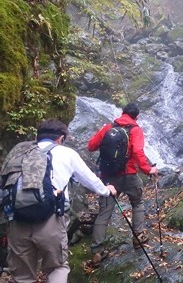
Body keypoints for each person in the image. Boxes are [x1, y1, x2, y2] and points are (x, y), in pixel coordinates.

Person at [5, 118, 117, 282]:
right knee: (57, 267)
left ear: (37, 137)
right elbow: (89, 179)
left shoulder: (19, 153)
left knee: (22, 276)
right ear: (61, 138)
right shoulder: (67, 153)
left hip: (17, 220)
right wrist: (107, 191)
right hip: (50, 219)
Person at [87, 102, 158, 267]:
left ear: (122, 112)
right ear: (137, 117)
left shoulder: (108, 127)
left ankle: (97, 252)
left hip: (108, 177)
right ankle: (138, 236)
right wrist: (148, 170)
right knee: (137, 202)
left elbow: (91, 146)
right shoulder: (135, 129)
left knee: (104, 213)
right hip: (129, 175)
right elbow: (138, 152)